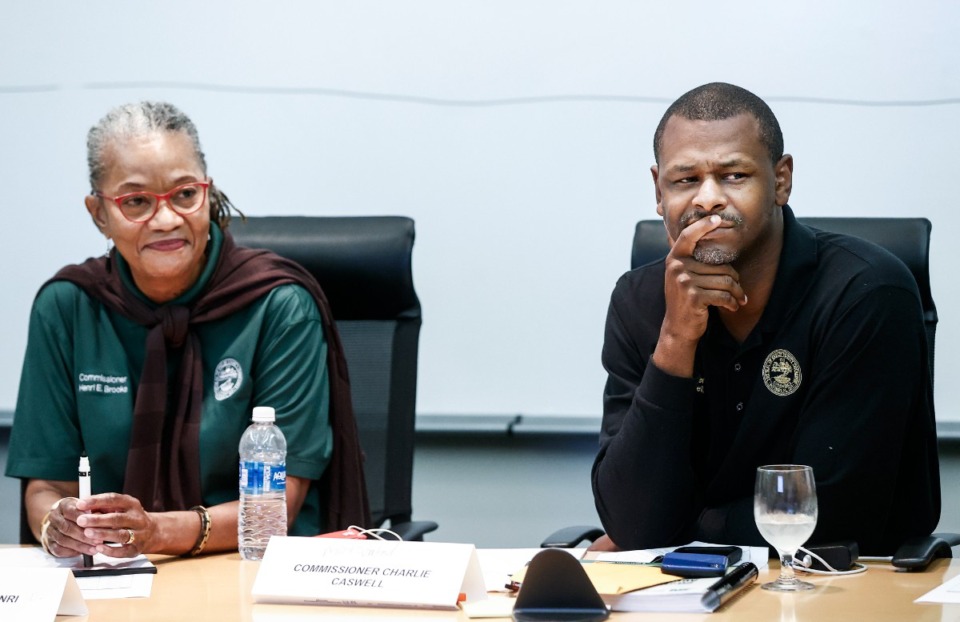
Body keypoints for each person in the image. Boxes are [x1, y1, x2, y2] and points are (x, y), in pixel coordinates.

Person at [6, 101, 369, 558]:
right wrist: (55, 523)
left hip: (248, 567)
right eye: (136, 201)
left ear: (208, 193)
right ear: (99, 213)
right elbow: (46, 483)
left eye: (184, 194)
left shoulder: (278, 305)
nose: (166, 219)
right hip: (109, 575)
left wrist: (155, 533)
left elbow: (280, 503)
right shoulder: (68, 306)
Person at [592, 82, 940, 556]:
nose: (708, 199)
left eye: (734, 175)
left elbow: (831, 515)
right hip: (686, 592)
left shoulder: (865, 293)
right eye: (685, 179)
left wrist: (679, 530)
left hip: (843, 587)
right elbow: (630, 517)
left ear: (781, 180)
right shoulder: (639, 301)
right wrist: (675, 338)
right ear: (658, 191)